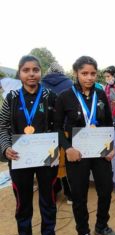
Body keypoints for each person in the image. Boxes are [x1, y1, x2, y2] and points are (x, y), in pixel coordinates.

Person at [0, 55, 62, 235]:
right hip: (19, 158)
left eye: (35, 69)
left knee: (48, 199)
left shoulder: (50, 96)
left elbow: (60, 123)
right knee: (22, 202)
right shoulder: (12, 98)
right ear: (20, 73)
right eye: (26, 70)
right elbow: (3, 126)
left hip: (46, 158)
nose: (31, 74)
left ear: (41, 72)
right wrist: (5, 148)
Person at [54, 56, 115, 235]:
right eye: (84, 73)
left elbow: (108, 122)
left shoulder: (101, 94)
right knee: (80, 196)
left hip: (100, 152)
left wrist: (110, 148)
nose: (89, 77)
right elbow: (56, 128)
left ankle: (101, 225)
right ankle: (83, 234)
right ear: (76, 73)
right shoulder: (64, 97)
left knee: (106, 190)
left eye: (92, 73)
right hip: (77, 155)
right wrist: (68, 148)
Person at [42, 62, 73, 203]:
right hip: (64, 127)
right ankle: (69, 194)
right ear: (61, 71)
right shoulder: (69, 83)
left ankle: (53, 192)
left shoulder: (41, 83)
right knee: (66, 160)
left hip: (46, 129)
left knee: (50, 162)